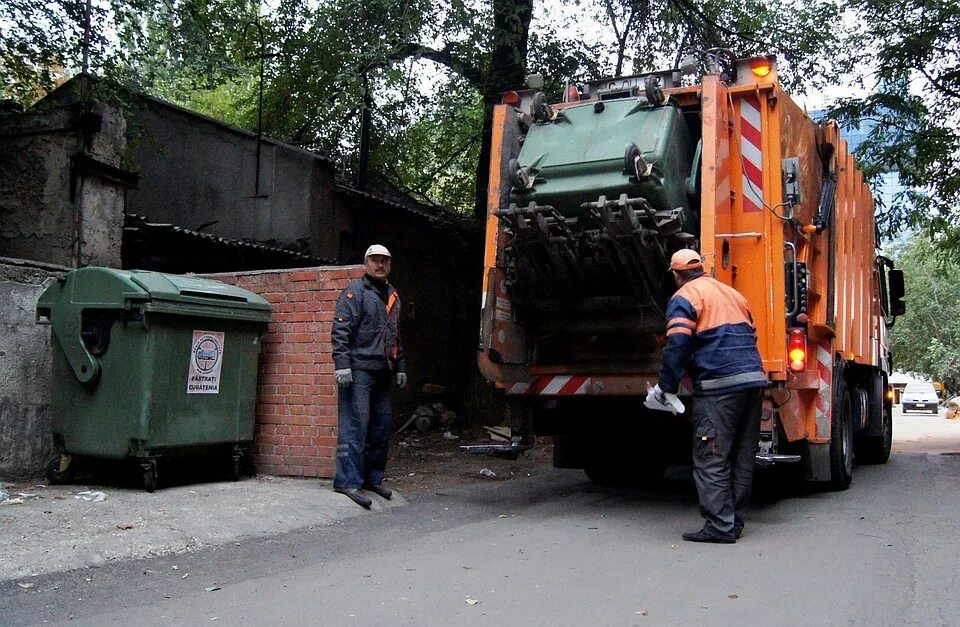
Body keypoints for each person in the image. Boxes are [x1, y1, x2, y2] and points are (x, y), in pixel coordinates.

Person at [646, 249, 767, 543]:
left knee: (711, 456)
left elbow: (678, 344)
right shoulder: (732, 294)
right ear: (702, 268)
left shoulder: (685, 297)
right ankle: (733, 522)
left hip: (719, 388)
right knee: (741, 457)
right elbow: (752, 336)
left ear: (676, 275)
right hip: (752, 382)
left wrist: (666, 387)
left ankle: (719, 527)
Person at [331, 244, 407, 508]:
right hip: (359, 371)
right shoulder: (354, 293)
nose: (380, 265)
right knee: (355, 427)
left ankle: (372, 479)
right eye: (375, 261)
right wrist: (342, 365)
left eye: (385, 261)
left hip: (383, 372)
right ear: (366, 263)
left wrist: (401, 367)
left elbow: (396, 336)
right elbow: (341, 331)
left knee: (380, 429)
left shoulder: (392, 296)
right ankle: (347, 481)